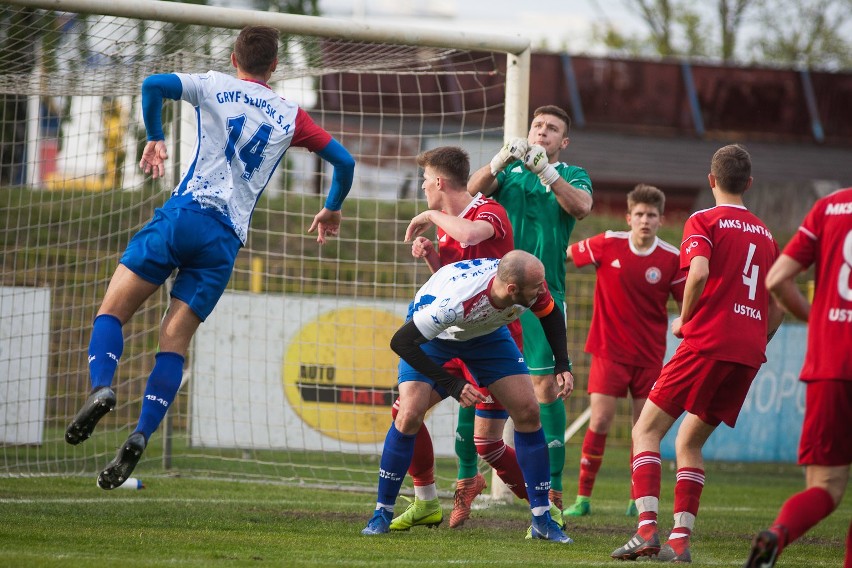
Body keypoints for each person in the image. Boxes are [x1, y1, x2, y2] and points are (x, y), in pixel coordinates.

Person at [64, 26, 355, 490]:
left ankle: (102, 387)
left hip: (184, 214)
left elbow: (153, 84)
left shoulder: (214, 84)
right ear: (275, 66)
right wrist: (332, 207)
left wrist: (156, 136)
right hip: (224, 241)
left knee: (113, 312)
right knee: (174, 341)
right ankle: (141, 434)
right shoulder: (290, 115)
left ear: (234, 56)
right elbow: (345, 162)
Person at [611, 144, 784, 563]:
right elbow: (776, 305)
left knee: (646, 431)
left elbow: (700, 271)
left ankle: (647, 531)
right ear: (749, 183)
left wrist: (686, 319)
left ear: (711, 180)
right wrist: (756, 340)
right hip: (746, 353)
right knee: (689, 440)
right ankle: (680, 541)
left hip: (707, 342)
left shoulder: (703, 219)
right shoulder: (766, 235)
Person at [361, 251, 575, 543]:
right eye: (536, 287)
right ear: (512, 289)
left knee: (528, 411)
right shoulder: (456, 304)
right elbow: (400, 341)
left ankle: (542, 520)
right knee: (408, 414)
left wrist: (562, 364)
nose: (542, 290)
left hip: (486, 335)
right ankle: (381, 514)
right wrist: (451, 384)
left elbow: (550, 313)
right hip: (434, 338)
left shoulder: (529, 282)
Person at [387, 146, 541, 531]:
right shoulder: (448, 225)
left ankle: (543, 505)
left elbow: (473, 233)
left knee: (488, 443)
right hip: (454, 335)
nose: (423, 188)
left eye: (425, 182)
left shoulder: (487, 211)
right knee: (406, 411)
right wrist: (430, 257)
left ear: (438, 182)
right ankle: (425, 500)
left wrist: (429, 214)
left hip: (493, 335)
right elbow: (453, 284)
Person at [468, 105, 593, 510]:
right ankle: (465, 479)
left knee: (545, 388)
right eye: (538, 126)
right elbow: (472, 189)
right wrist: (499, 159)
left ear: (563, 141)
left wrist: (549, 173)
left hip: (544, 291)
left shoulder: (571, 175)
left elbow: (582, 207)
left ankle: (553, 486)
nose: (542, 133)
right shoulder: (508, 174)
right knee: (478, 381)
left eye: (552, 129)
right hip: (497, 291)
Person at [744, 187, 852, 568]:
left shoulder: (831, 206)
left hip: (831, 364)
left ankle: (778, 534)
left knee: (825, 487)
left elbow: (777, 279)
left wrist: (819, 319)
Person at [563, 184, 685, 518]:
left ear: (661, 220)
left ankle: (637, 498)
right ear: (629, 216)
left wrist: (687, 325)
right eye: (640, 214)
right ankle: (583, 498)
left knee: (642, 428)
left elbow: (687, 306)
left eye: (653, 215)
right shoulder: (608, 242)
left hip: (648, 357)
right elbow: (566, 257)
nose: (646, 220)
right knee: (600, 420)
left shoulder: (672, 258)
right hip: (607, 351)